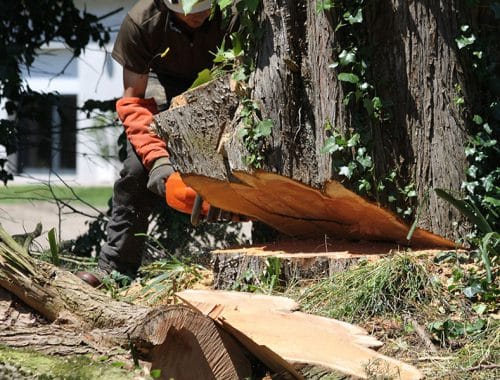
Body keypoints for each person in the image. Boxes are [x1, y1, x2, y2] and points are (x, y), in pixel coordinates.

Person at [96, 0, 227, 279]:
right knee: (135, 170)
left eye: (205, 6)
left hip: (220, 82)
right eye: (189, 8)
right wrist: (157, 160)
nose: (198, 14)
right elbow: (135, 103)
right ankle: (116, 268)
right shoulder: (142, 22)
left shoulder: (234, 13)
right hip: (158, 81)